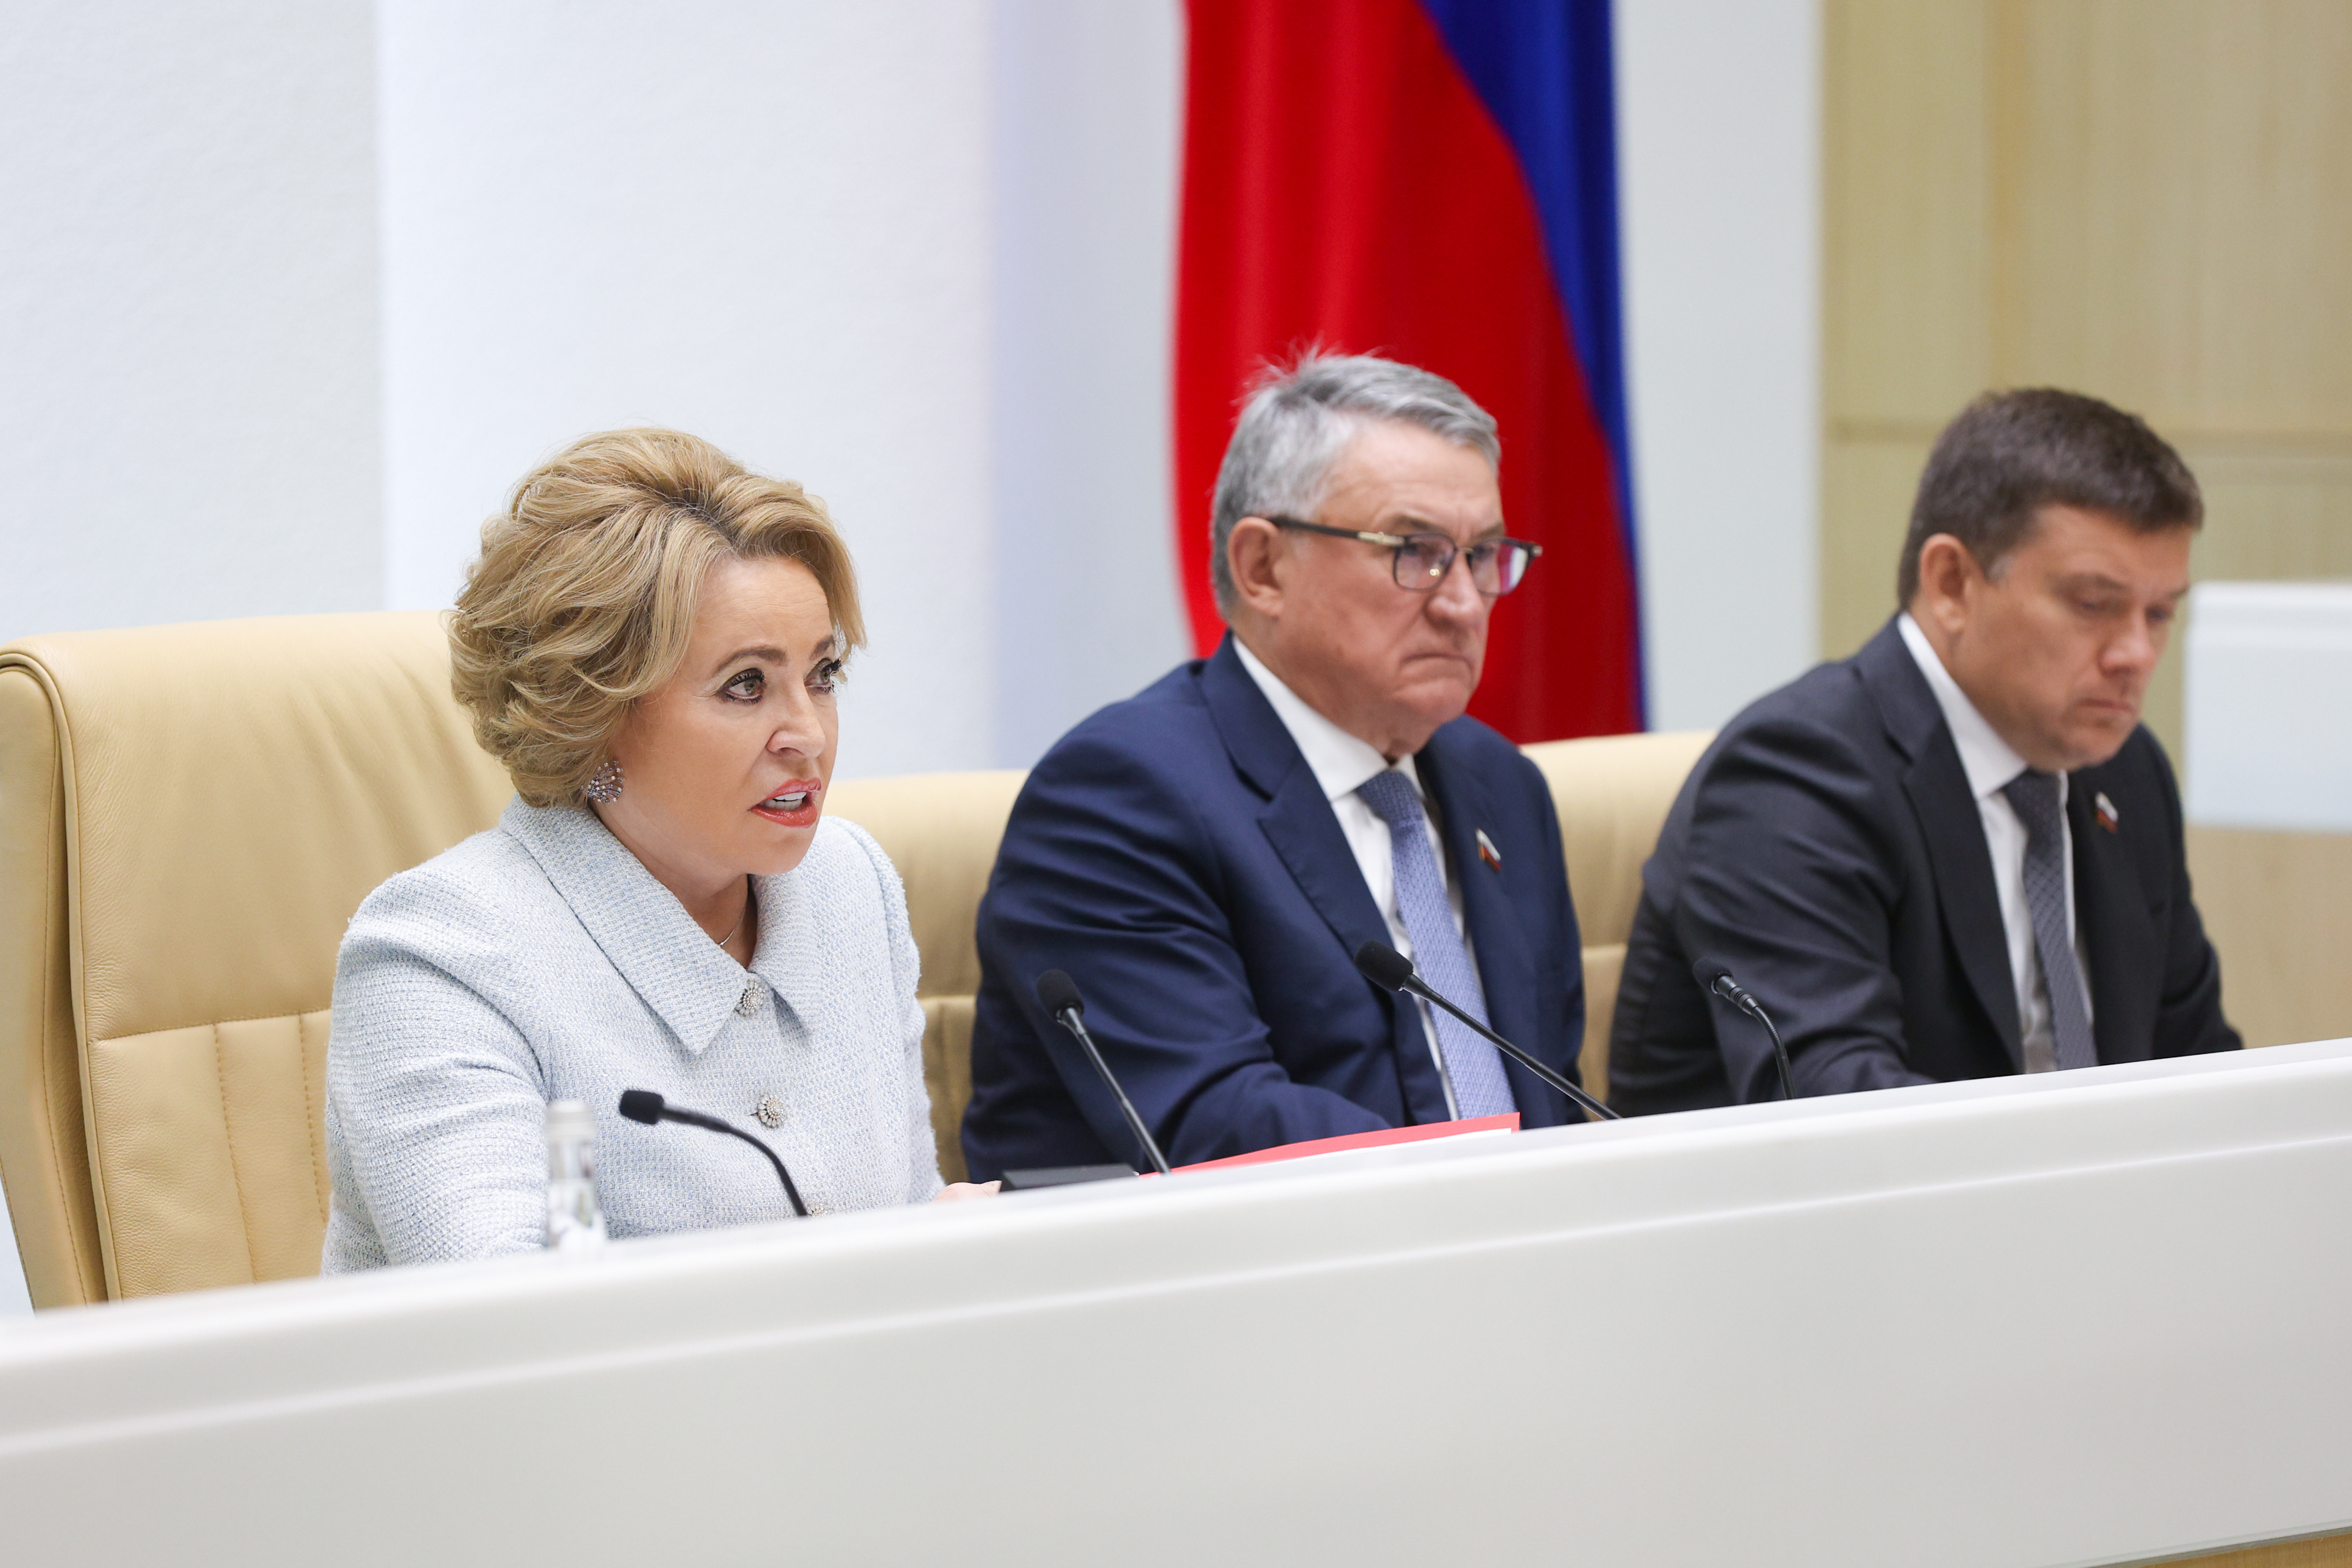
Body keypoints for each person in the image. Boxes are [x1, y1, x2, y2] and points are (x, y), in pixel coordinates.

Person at [324, 428, 990, 1271]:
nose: (810, 735)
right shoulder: (442, 958)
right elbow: (507, 1325)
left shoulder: (849, 883)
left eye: (822, 674)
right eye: (746, 684)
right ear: (593, 714)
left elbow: (908, 1210)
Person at [961, 353, 1591, 1179]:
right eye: (1415, 551)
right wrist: (1500, 1190)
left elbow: (1553, 1098)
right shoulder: (1119, 797)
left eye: (1482, 555)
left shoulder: (1500, 785)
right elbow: (1215, 1125)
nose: (1464, 603)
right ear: (1263, 567)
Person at [1609, 389, 2240, 1114]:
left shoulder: (2124, 772)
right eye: (2093, 604)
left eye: (2158, 614)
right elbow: (1841, 1107)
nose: (2136, 654)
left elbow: (2198, 1064)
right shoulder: (1796, 776)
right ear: (1951, 584)